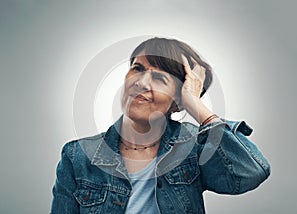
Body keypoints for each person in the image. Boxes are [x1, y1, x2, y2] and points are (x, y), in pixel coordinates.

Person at [50, 37, 270, 213]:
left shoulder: (194, 147)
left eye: (159, 79)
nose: (141, 82)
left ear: (178, 102)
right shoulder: (76, 155)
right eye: (137, 68)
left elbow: (250, 172)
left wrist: (196, 106)